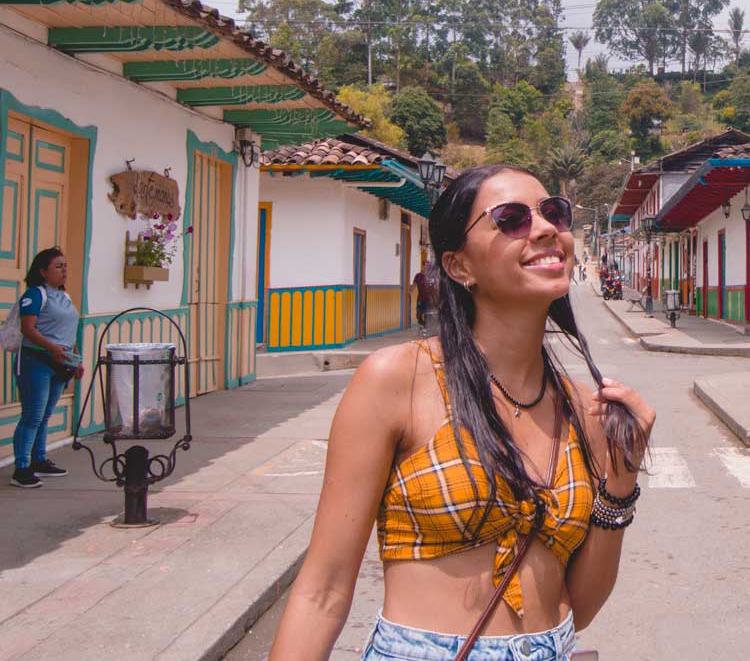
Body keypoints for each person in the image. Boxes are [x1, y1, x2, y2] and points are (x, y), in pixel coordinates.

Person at [269, 165, 654, 661]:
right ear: (459, 267)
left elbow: (580, 605)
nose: (544, 229)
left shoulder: (583, 407)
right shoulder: (397, 380)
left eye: (552, 213)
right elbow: (321, 591)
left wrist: (619, 487)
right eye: (511, 219)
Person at [10, 247, 83, 489]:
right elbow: (28, 329)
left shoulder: (66, 297)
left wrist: (76, 359)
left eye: (65, 266)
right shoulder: (35, 295)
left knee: (44, 416)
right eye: (58, 266)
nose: (64, 271)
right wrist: (51, 348)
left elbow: (68, 332)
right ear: (43, 271)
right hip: (36, 361)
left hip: (60, 363)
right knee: (32, 415)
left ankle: (39, 459)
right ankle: (21, 468)